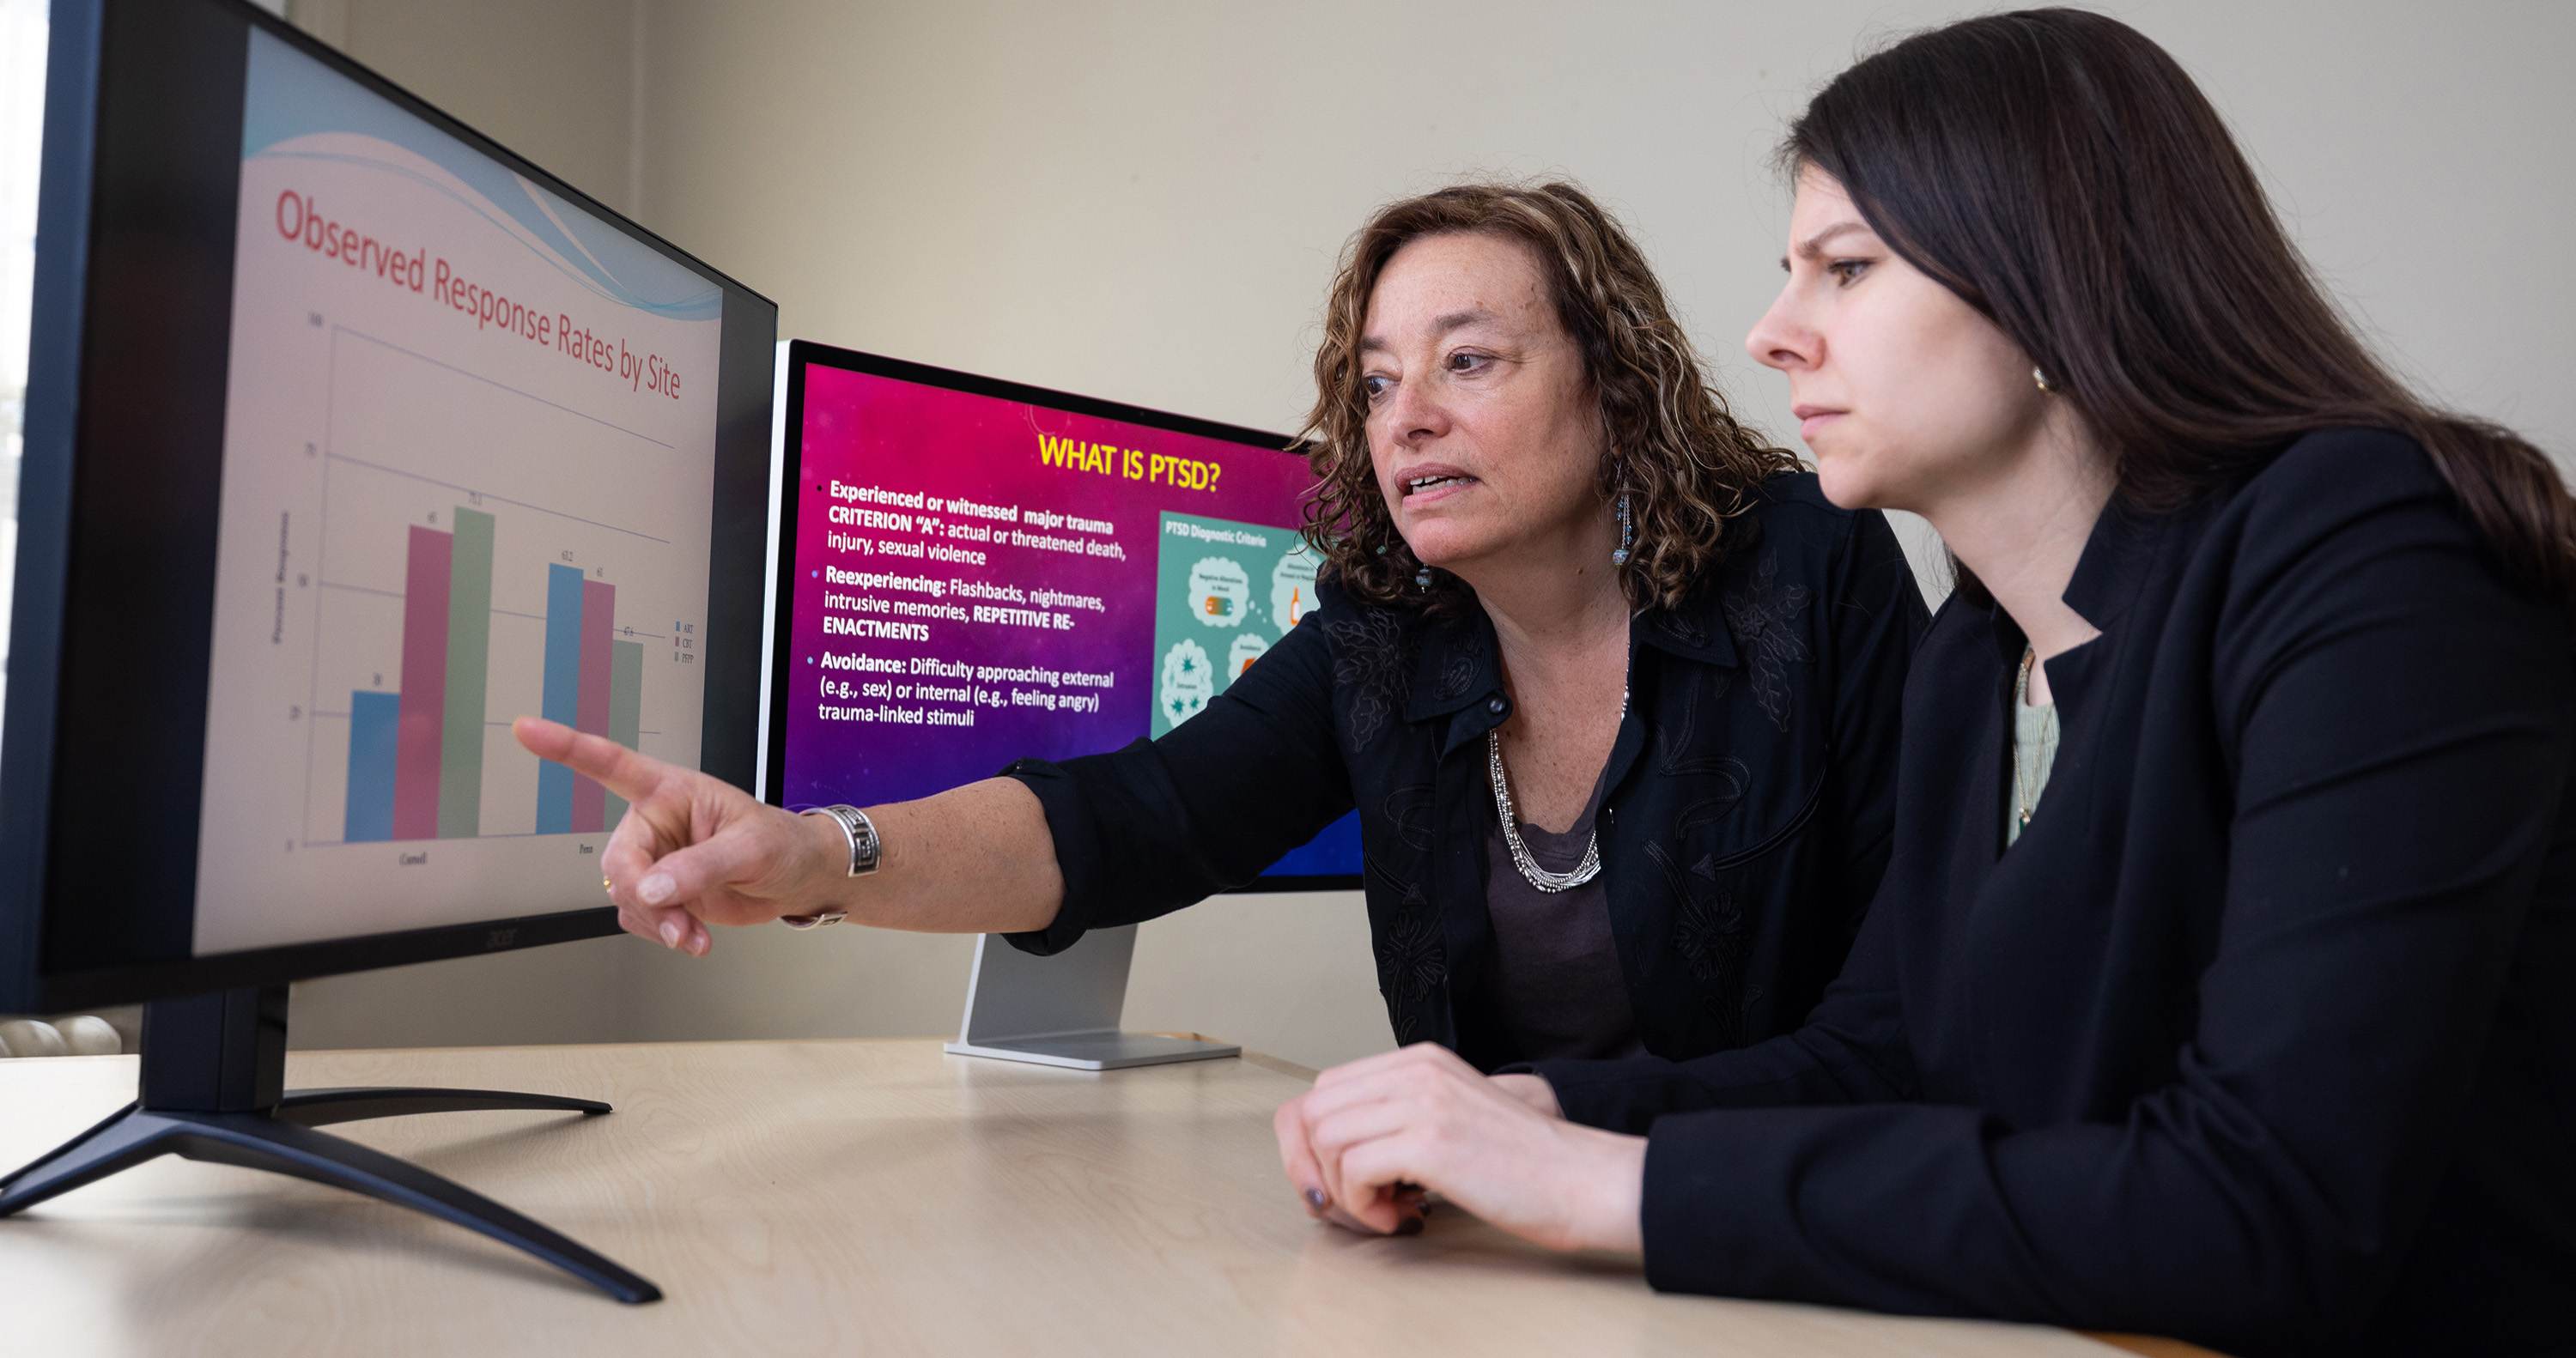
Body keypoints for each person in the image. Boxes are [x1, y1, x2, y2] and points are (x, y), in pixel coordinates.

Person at [1271, 11, 2576, 1356]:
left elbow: (2265, 1207)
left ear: (2051, 278)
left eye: (1845, 269)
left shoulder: (2374, 552)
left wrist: (1613, 1188)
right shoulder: (1975, 659)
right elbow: (1880, 1060)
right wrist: (1544, 1114)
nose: (1774, 334)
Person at [522, 184, 1925, 1167]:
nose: (1408, 416)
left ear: (1613, 390)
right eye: (1377, 383)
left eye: (1469, 361)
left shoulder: (1806, 577)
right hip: (1501, 1247)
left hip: (1769, 1237)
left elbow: (1906, 1030)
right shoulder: (1388, 633)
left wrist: (1541, 1127)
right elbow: (1136, 817)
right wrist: (822, 851)